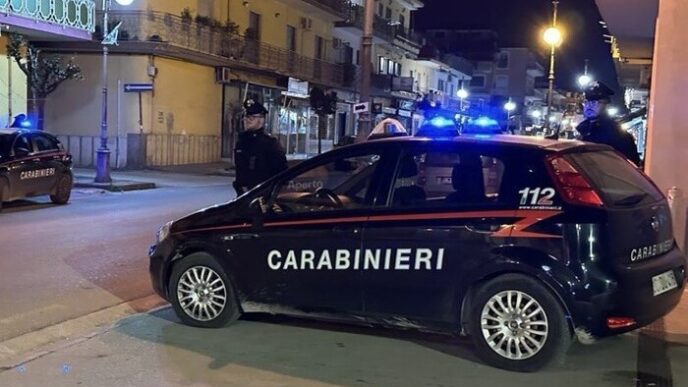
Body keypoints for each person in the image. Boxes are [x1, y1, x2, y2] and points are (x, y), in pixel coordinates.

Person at [576, 81, 640, 165]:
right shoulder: (581, 129)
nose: (589, 106)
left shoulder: (617, 134)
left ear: (607, 105)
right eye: (586, 102)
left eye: (596, 102)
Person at [233, 99, 288, 195]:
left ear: (261, 120)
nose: (247, 120)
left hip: (263, 197)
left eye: (252, 117)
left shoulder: (270, 144)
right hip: (242, 197)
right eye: (246, 116)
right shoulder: (241, 142)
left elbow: (281, 175)